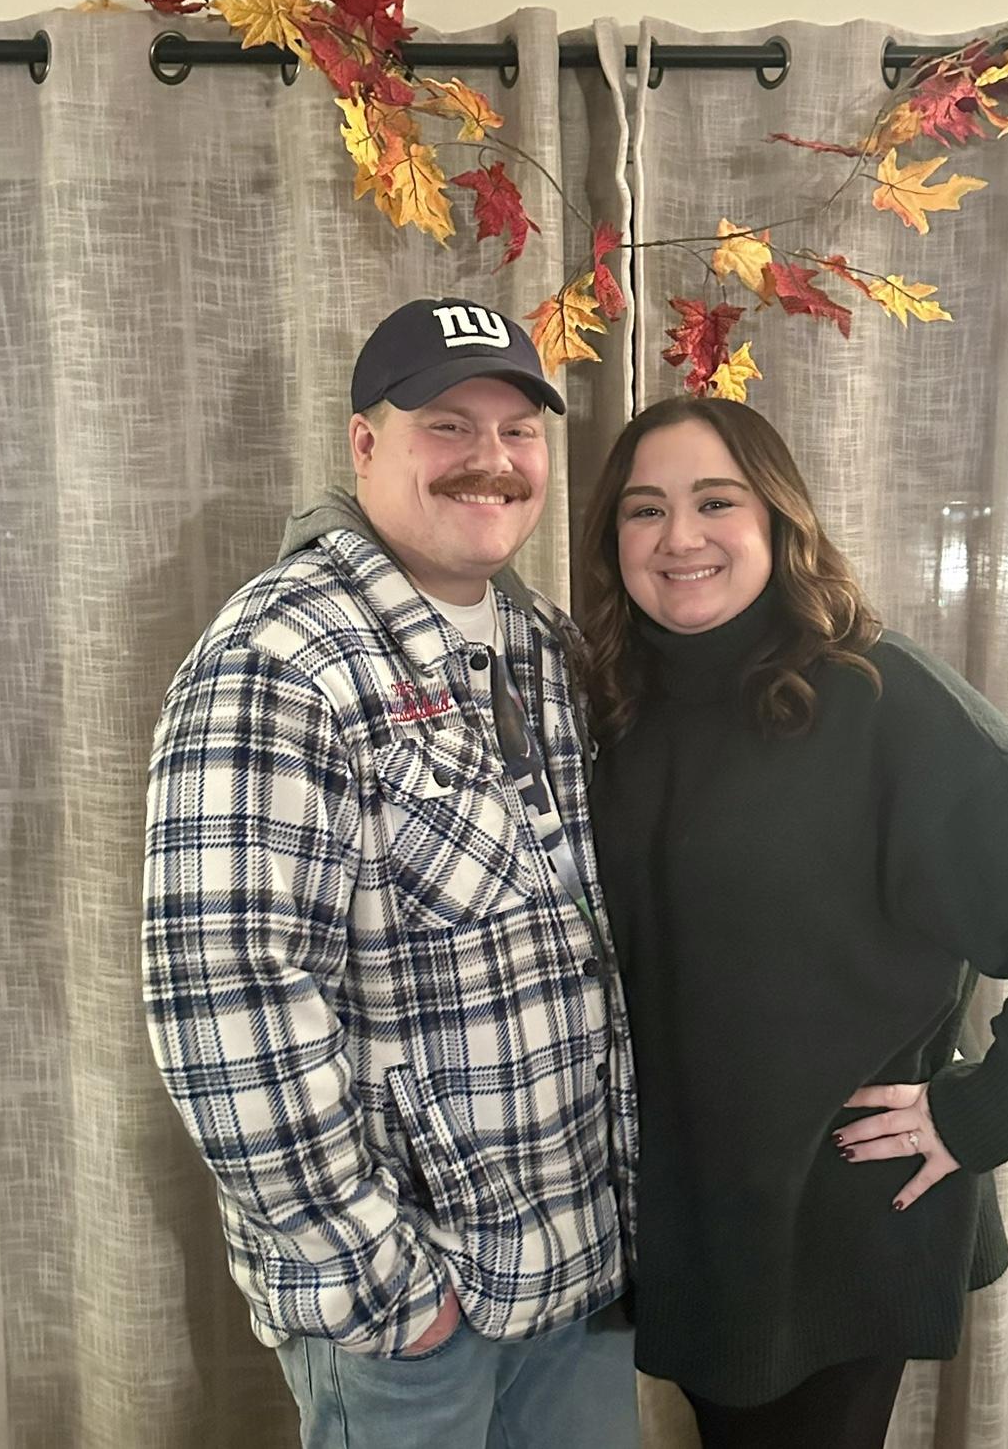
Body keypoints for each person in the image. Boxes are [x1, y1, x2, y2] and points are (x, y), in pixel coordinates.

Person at [578, 397, 1008, 1449]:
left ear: (779, 520)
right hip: (686, 1221)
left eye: (716, 501)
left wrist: (987, 1109)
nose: (679, 536)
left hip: (832, 1228)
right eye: (645, 509)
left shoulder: (873, 695)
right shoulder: (615, 703)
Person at [142, 297, 639, 1449]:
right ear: (365, 444)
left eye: (518, 431)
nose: (491, 459)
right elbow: (223, 994)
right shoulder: (281, 658)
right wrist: (383, 1286)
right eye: (448, 425)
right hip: (414, 1315)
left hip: (577, 1272)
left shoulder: (547, 646)